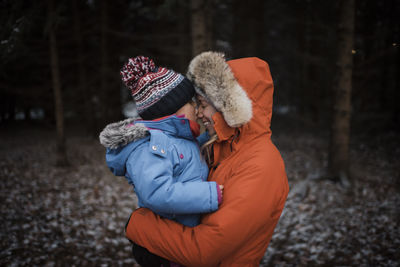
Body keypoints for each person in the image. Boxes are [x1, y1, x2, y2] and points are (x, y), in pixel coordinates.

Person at [124, 51, 290, 266]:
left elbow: (204, 250)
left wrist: (138, 224)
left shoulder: (261, 165)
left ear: (228, 105)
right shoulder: (218, 146)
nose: (199, 114)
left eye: (202, 104)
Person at [99, 56, 223, 266]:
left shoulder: (178, 139)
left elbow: (190, 156)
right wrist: (210, 194)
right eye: (191, 103)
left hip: (184, 237)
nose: (196, 109)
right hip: (167, 250)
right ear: (174, 109)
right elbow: (156, 193)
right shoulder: (150, 146)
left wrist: (215, 136)